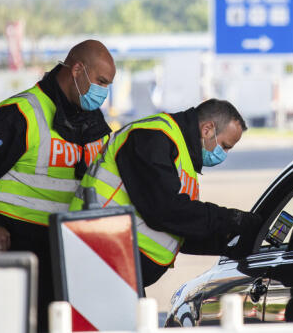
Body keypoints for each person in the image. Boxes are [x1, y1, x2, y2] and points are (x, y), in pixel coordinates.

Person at [0, 39, 115, 327]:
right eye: (100, 81)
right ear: (77, 70)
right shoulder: (21, 114)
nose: (104, 92)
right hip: (20, 249)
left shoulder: (94, 124)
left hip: (73, 252)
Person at [69, 98, 262, 287]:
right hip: (101, 257)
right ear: (207, 129)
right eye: (225, 146)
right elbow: (165, 211)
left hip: (117, 266)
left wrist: (227, 243)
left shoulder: (181, 155)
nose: (224, 154)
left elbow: (180, 228)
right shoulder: (151, 137)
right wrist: (233, 219)